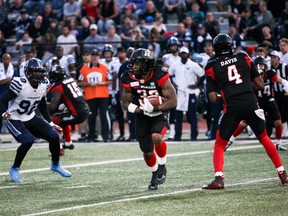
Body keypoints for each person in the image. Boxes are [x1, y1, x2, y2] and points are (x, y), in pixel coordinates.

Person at [202, 33, 288, 189]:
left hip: (232, 106)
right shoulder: (243, 57)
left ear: (215, 49)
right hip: (251, 103)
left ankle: (219, 179)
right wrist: (245, 88)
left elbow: (213, 98)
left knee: (220, 144)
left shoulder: (211, 66)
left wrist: (227, 94)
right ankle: (283, 173)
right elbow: (260, 85)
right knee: (264, 138)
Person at [0, 58, 71, 182]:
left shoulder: (44, 83)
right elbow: (2, 99)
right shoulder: (20, 83)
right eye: (35, 72)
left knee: (54, 136)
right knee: (28, 141)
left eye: (40, 71)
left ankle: (55, 165)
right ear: (28, 72)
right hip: (15, 117)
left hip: (30, 116)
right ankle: (14, 168)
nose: (38, 74)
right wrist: (4, 112)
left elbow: (42, 104)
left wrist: (50, 122)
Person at [121, 48, 177, 190]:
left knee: (156, 137)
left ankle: (162, 166)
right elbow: (125, 103)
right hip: (142, 114)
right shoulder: (128, 77)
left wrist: (156, 108)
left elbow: (173, 101)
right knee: (146, 151)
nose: (134, 67)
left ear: (147, 64)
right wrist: (139, 109)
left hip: (159, 112)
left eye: (137, 64)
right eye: (133, 64)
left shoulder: (159, 74)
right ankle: (154, 174)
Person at [225, 56, 288, 151]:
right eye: (257, 66)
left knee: (278, 122)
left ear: (265, 66)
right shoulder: (250, 77)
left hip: (269, 100)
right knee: (245, 123)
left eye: (261, 65)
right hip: (256, 101)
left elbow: (282, 81)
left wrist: (286, 85)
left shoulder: (270, 74)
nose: (259, 68)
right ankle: (230, 141)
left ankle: (278, 144)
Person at [47, 65, 90, 152]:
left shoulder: (58, 86)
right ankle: (68, 143)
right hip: (85, 108)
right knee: (62, 121)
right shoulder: (71, 80)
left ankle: (58, 148)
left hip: (77, 114)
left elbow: (53, 106)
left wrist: (40, 103)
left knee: (53, 121)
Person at [169, 46, 204, 141]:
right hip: (179, 93)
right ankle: (177, 136)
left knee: (192, 115)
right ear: (180, 54)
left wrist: (197, 85)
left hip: (190, 92)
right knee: (178, 116)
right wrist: (172, 83)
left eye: (185, 53)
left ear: (188, 54)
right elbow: (169, 74)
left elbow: (202, 74)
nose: (183, 54)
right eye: (182, 53)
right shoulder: (175, 64)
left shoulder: (193, 64)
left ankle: (193, 135)